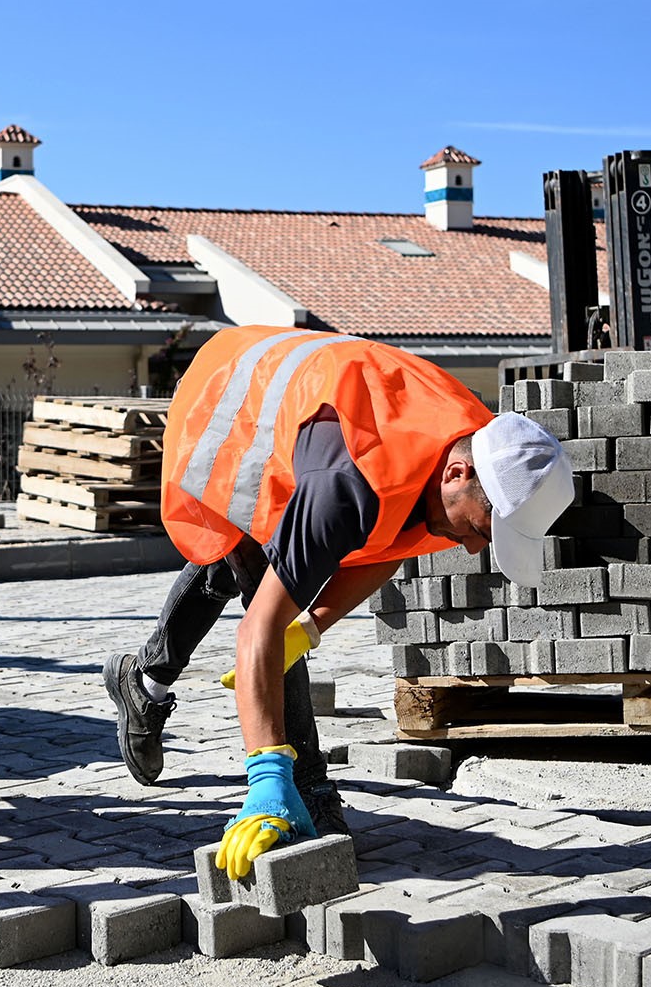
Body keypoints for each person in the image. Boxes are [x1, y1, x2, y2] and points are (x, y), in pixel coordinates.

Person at [103, 327, 574, 879]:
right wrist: (265, 776)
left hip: (310, 420)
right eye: (477, 528)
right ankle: (302, 792)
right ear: (456, 475)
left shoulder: (474, 451)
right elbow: (260, 630)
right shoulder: (347, 487)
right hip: (230, 406)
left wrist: (315, 624)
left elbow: (392, 542)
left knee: (253, 570)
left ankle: (144, 682)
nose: (472, 546)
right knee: (250, 567)